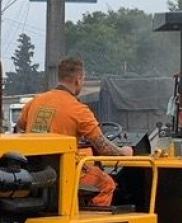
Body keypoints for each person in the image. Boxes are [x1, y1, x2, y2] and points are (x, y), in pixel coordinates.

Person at [16, 57, 132, 206]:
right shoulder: (78, 110)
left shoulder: (36, 101)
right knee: (107, 184)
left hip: (34, 170)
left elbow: (19, 128)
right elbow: (104, 147)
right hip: (65, 171)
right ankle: (92, 222)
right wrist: (124, 153)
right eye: (83, 80)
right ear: (78, 80)